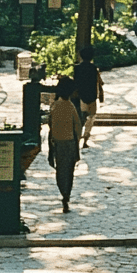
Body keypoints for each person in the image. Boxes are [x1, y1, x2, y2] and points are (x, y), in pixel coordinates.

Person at [48, 76, 82, 213]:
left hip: (58, 143)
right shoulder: (71, 106)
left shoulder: (55, 106)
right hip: (70, 142)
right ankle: (66, 195)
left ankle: (64, 194)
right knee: (69, 171)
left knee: (60, 171)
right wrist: (77, 141)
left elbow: (51, 126)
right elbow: (78, 126)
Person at [72, 44, 104, 148]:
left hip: (81, 96)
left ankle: (78, 139)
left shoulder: (77, 69)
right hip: (92, 96)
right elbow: (99, 82)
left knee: (81, 118)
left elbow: (75, 83)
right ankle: (85, 139)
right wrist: (101, 94)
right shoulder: (93, 68)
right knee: (91, 118)